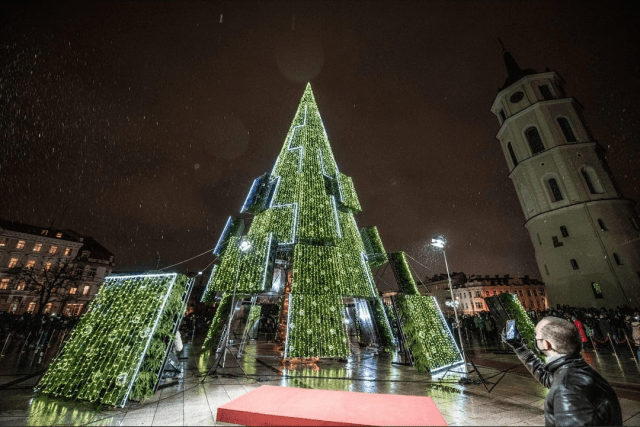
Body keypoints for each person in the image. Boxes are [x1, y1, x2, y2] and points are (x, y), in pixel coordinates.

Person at [503, 316, 622, 426]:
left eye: (536, 336)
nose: (535, 339)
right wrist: (519, 347)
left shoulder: (567, 390)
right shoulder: (576, 369)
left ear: (546, 344)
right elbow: (548, 378)